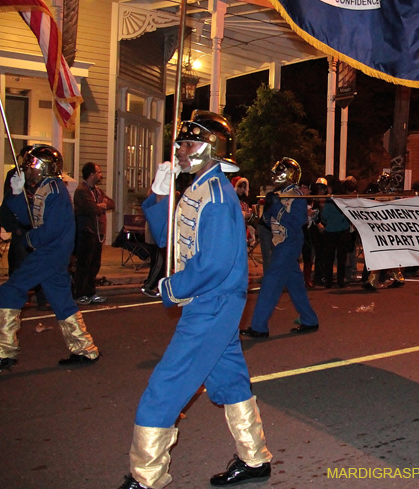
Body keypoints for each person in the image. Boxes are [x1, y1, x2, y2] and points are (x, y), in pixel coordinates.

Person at [117, 111, 272, 489]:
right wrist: (158, 194)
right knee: (231, 382)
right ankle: (255, 459)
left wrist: (172, 287)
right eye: (181, 144)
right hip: (210, 301)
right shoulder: (198, 189)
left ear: (211, 150)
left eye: (189, 144)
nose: (181, 151)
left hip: (211, 301)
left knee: (165, 387)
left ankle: (146, 476)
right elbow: (167, 238)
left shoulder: (216, 195)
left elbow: (214, 263)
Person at [0, 145, 100, 371]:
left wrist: (27, 239)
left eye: (31, 166)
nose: (27, 170)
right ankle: (85, 349)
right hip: (53, 253)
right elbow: (30, 216)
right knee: (63, 302)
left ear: (46, 168)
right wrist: (16, 194)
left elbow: (49, 228)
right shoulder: (47, 187)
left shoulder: (53, 189)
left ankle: (4, 351)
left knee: (10, 290)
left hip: (50, 252)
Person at [240, 158, 319, 338]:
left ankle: (259, 326)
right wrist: (269, 207)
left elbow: (297, 222)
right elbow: (268, 222)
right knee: (295, 283)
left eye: (279, 173)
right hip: (282, 242)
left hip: (289, 242)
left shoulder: (297, 196)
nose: (274, 176)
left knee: (271, 282)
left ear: (290, 175)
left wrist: (276, 207)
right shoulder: (280, 194)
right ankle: (309, 319)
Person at [1, 144, 48, 310]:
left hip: (37, 228)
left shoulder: (41, 178)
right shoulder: (15, 176)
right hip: (22, 229)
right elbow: (9, 204)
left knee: (40, 263)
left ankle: (43, 297)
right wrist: (15, 227)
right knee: (21, 265)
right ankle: (16, 299)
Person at [73, 162, 115, 304]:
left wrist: (102, 205)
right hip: (86, 231)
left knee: (94, 264)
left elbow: (111, 203)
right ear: (91, 175)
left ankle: (91, 292)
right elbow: (91, 208)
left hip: (97, 233)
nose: (101, 175)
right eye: (98, 172)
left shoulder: (97, 191)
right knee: (84, 264)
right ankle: (80, 293)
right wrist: (100, 206)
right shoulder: (81, 191)